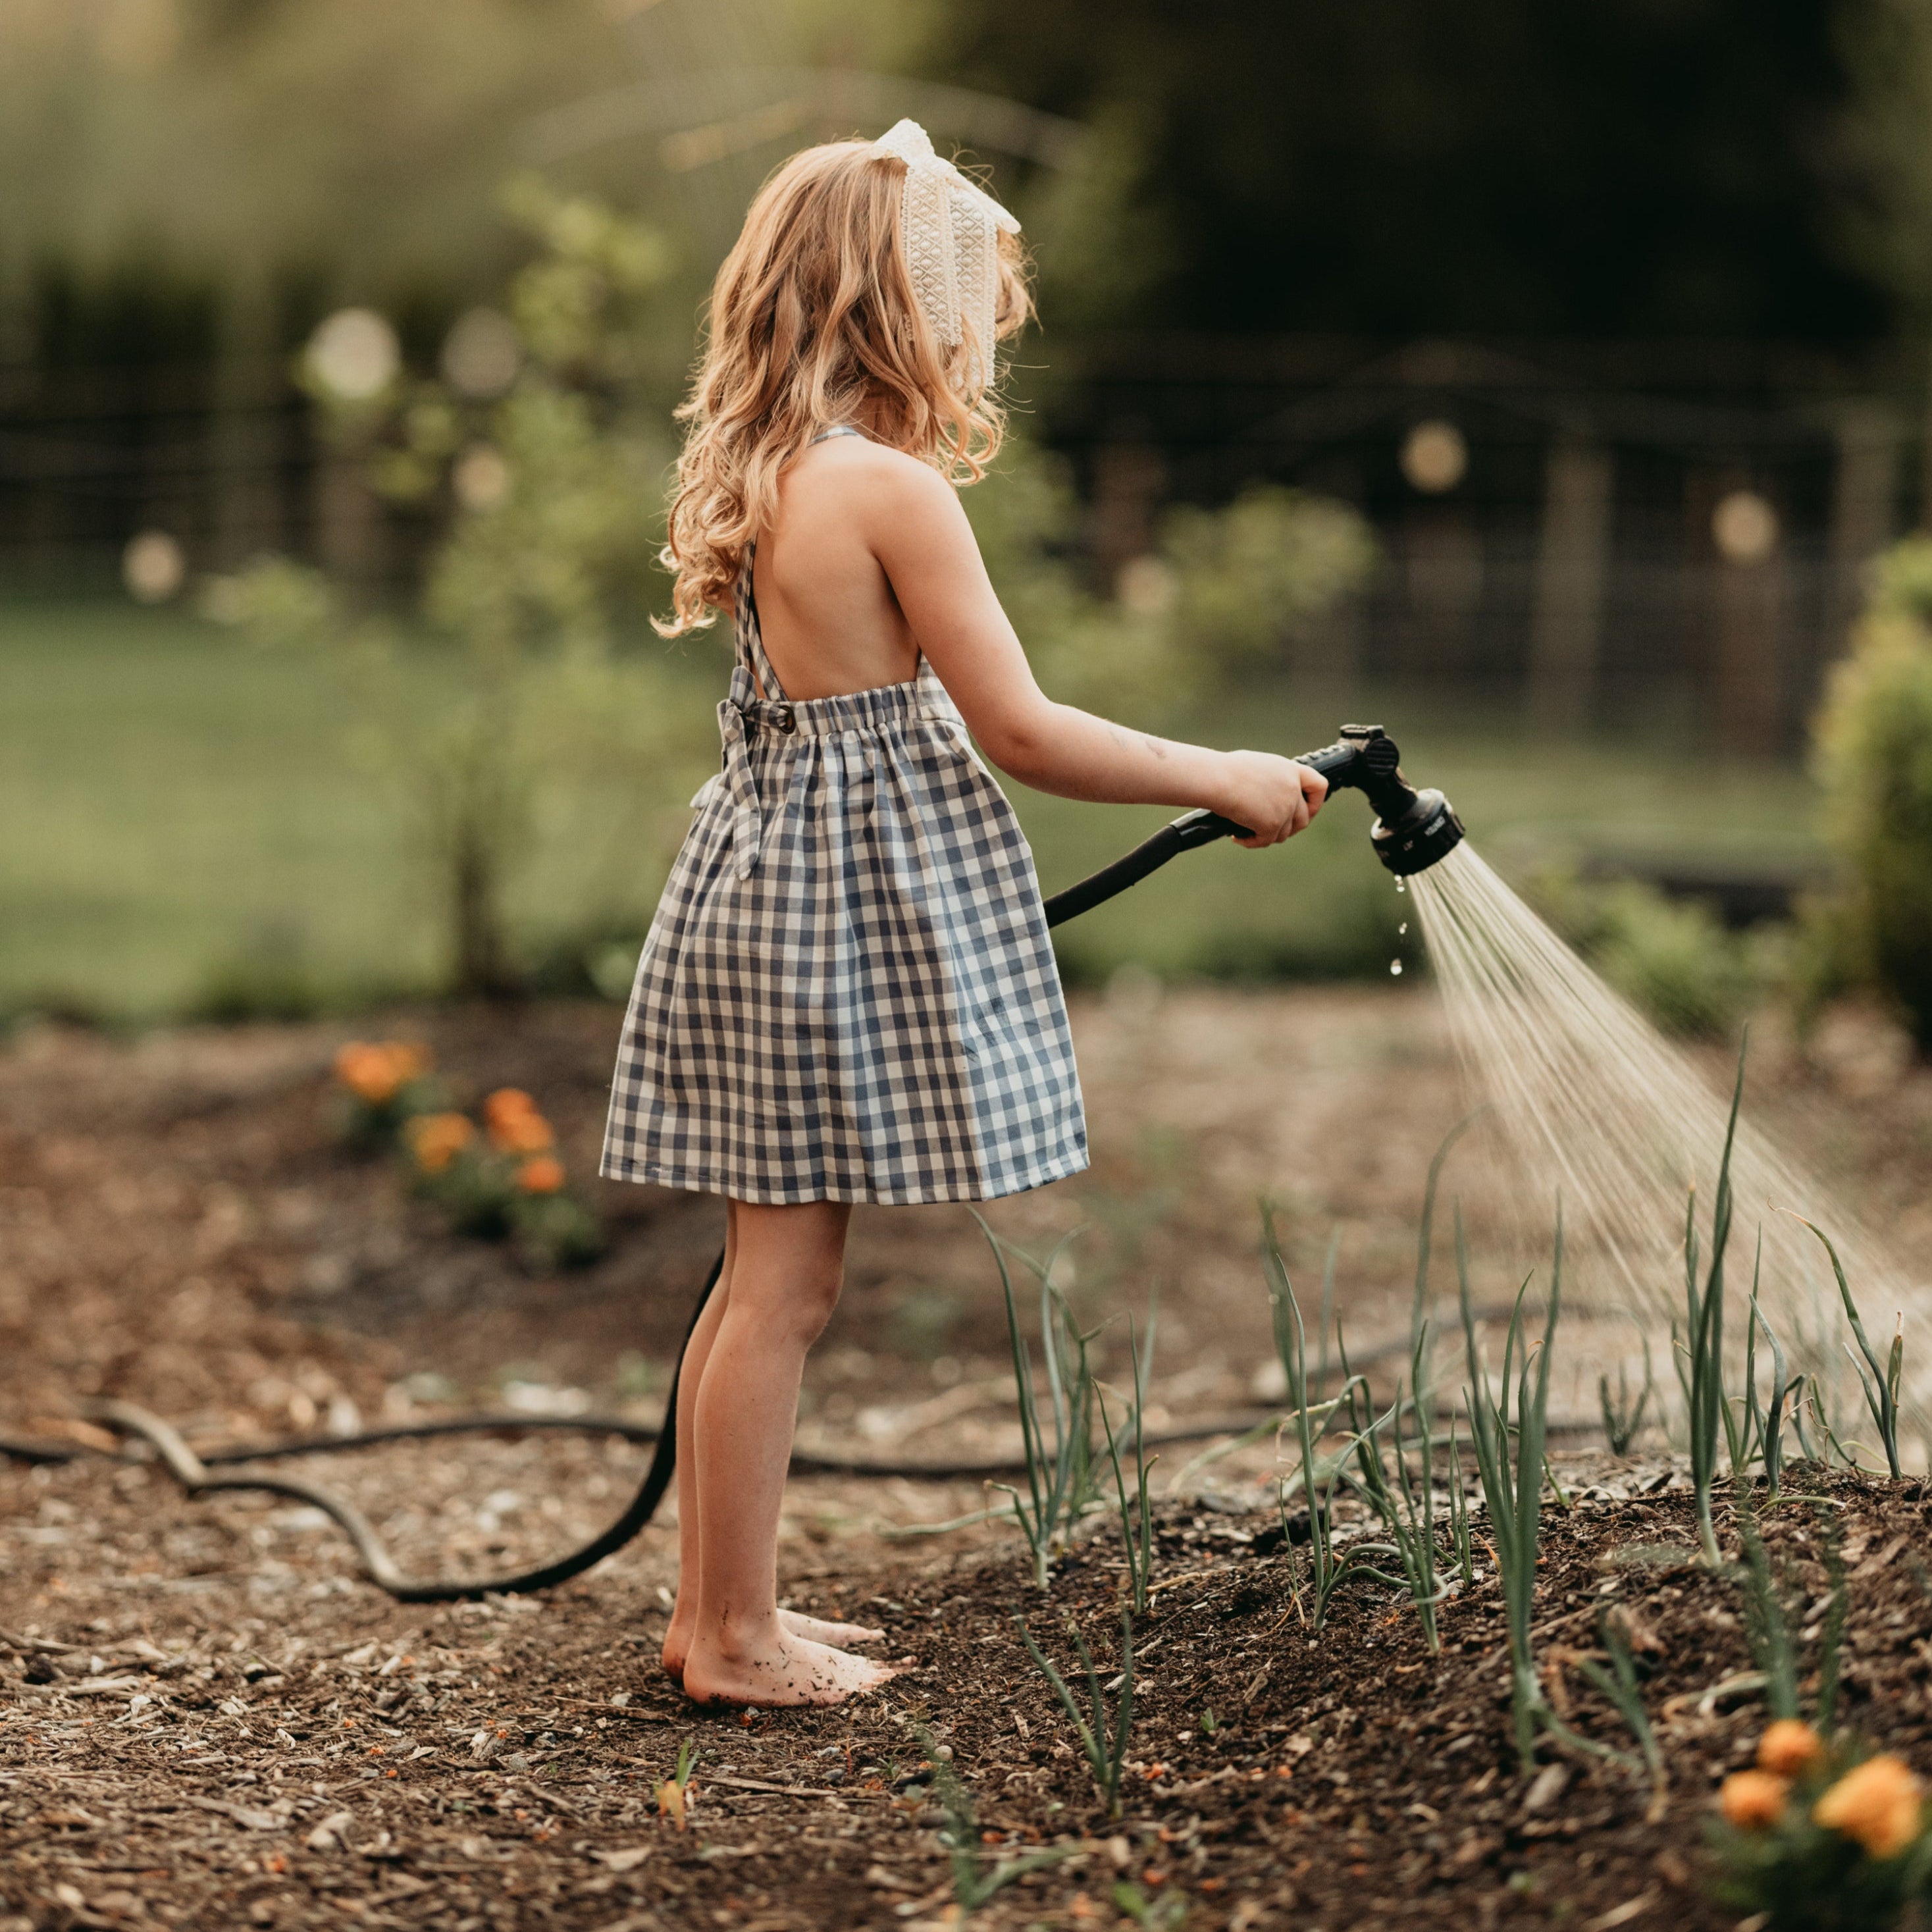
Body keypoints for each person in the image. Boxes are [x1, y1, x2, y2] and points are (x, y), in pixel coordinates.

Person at [600, 120, 1326, 1707]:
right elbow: (1021, 728)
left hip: (762, 899)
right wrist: (1221, 774)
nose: (975, 343)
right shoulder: (889, 493)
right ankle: (729, 1638)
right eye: (964, 312)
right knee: (784, 1291)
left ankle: (716, 1609)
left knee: (758, 1282)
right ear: (898, 313)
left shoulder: (778, 470)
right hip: (820, 930)